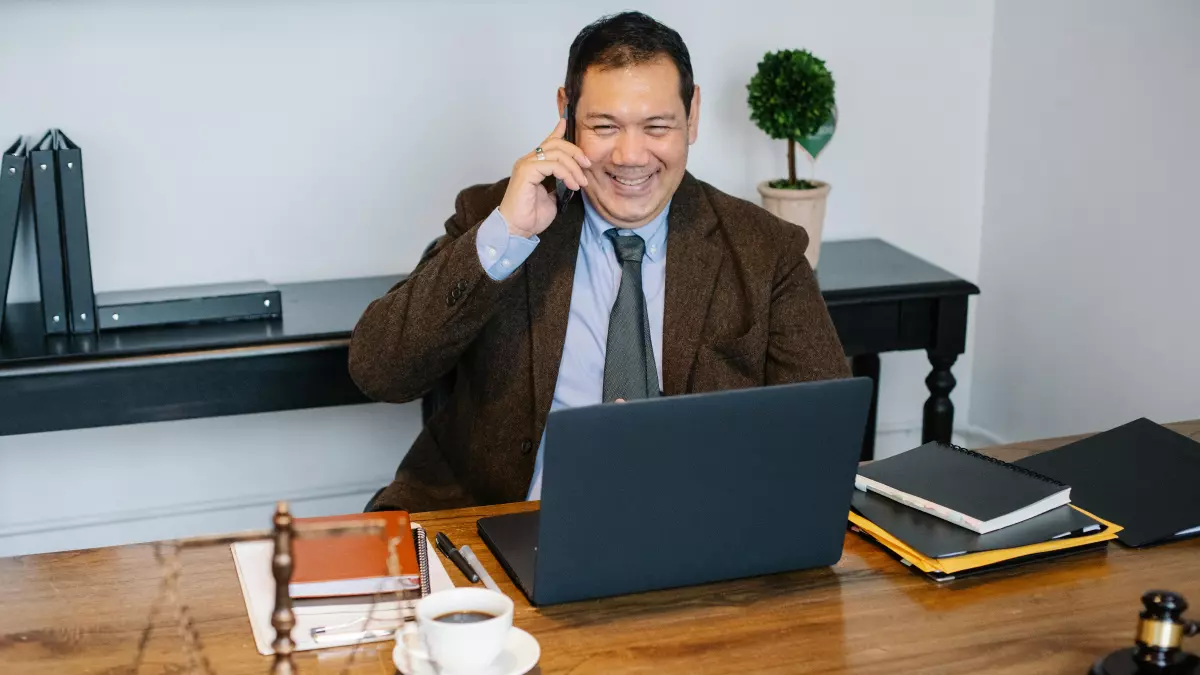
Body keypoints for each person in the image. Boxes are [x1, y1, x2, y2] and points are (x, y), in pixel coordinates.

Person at [349, 11, 849, 512]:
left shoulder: (765, 250)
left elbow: (824, 435)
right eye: (605, 125)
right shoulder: (495, 215)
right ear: (566, 113)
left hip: (689, 527)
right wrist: (508, 235)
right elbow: (379, 371)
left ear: (691, 115)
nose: (631, 156)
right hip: (493, 523)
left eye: (657, 126)